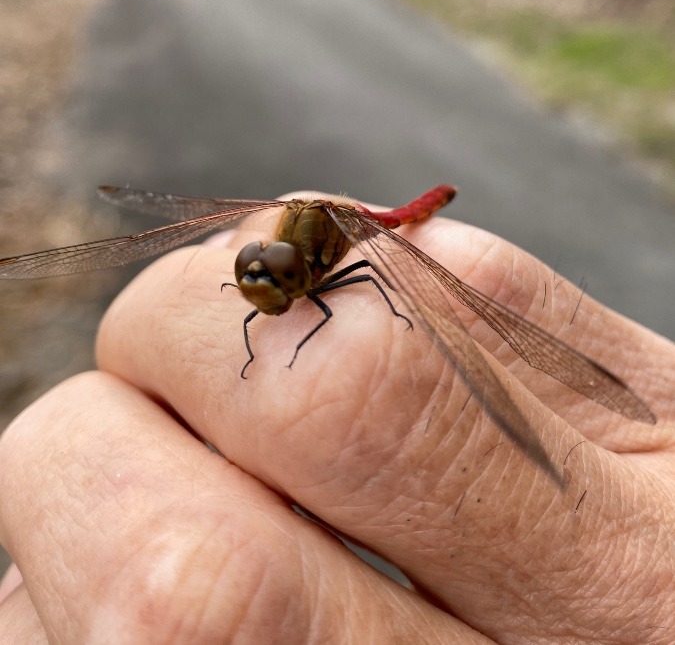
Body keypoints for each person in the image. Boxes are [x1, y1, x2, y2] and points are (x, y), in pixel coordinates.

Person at [0, 198, 673, 642]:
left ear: (305, 266)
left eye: (273, 279)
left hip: (401, 218)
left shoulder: (335, 257)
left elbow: (379, 287)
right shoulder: (275, 256)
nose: (260, 287)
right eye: (254, 275)